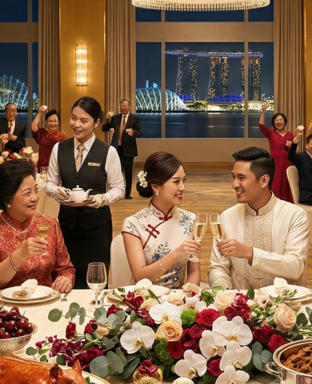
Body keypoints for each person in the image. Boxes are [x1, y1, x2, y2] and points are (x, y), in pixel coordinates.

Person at [44, 96, 125, 287]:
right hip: (66, 226)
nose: (76, 125)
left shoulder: (108, 152)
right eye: (73, 118)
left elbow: (119, 189)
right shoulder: (59, 148)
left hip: (97, 228)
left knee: (95, 282)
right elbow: (49, 184)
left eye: (84, 120)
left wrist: (102, 199)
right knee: (64, 279)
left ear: (97, 123)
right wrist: (56, 191)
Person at [209, 147, 309, 289]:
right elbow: (218, 267)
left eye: (241, 178)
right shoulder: (227, 217)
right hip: (240, 306)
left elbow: (295, 267)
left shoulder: (294, 215)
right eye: (233, 177)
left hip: (283, 304)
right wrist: (223, 293)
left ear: (264, 180)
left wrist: (250, 254)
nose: (234, 184)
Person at [0, 160, 74, 292]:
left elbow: (65, 268)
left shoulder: (49, 224)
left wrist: (65, 279)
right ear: (7, 199)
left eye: (36, 190)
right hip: (6, 307)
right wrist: (20, 255)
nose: (35, 198)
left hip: (46, 303)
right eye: (27, 193)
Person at [122, 152, 201, 288]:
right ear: (155, 186)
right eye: (176, 181)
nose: (183, 187)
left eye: (184, 180)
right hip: (145, 298)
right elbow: (139, 277)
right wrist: (175, 254)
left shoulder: (190, 219)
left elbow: (194, 272)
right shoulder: (133, 224)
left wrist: (187, 297)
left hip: (179, 300)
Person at [102, 98, 142, 199]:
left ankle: (127, 193)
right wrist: (108, 119)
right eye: (121, 106)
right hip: (116, 149)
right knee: (116, 172)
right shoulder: (115, 118)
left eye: (125, 106)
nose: (122, 108)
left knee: (128, 172)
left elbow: (139, 133)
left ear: (129, 107)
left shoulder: (134, 118)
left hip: (128, 149)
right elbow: (104, 128)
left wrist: (133, 132)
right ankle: (116, 192)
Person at [258, 104, 295, 202]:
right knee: (276, 183)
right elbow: (261, 126)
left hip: (288, 163)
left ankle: (288, 204)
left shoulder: (290, 135)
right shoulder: (271, 133)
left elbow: (295, 149)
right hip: (276, 164)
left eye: (281, 120)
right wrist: (263, 113)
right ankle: (275, 202)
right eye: (277, 120)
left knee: (288, 183)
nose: (279, 122)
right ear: (274, 123)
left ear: (285, 122)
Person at [32, 107, 66, 174]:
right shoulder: (42, 133)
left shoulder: (62, 135)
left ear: (58, 122)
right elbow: (33, 127)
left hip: (56, 168)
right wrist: (39, 113)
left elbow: (64, 153)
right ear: (46, 122)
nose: (53, 124)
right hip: (42, 168)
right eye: (50, 121)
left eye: (55, 121)